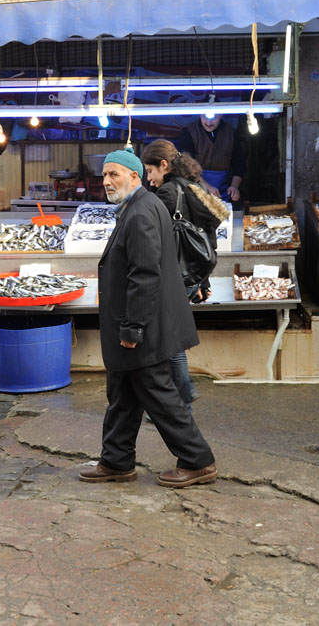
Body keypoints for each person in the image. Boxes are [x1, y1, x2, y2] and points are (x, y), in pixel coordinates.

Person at [79, 150, 218, 488]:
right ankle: (116, 461)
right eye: (105, 175)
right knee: (123, 396)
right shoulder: (143, 205)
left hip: (143, 327)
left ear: (135, 177)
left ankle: (198, 461)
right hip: (141, 324)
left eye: (115, 174)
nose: (107, 181)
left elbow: (145, 275)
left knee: (159, 396)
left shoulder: (140, 212)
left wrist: (132, 327)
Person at [141, 139, 226, 410]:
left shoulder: (167, 193)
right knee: (170, 337)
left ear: (164, 166)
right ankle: (176, 401)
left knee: (168, 340)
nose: (149, 178)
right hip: (189, 276)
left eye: (150, 171)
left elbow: (150, 236)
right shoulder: (196, 188)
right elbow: (208, 238)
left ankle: (181, 401)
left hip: (171, 277)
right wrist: (203, 278)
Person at [177, 114, 247, 202]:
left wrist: (234, 186)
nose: (209, 123)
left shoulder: (231, 132)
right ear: (200, 114)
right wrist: (207, 187)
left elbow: (239, 163)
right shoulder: (189, 132)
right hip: (196, 188)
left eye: (214, 118)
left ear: (221, 115)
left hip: (223, 192)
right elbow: (185, 165)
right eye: (205, 117)